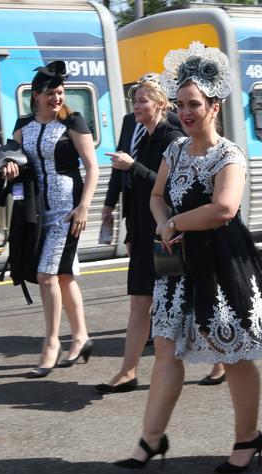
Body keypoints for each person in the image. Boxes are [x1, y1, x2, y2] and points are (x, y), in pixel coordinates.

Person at [114, 41, 262, 473]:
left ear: (214, 107)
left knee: (232, 353)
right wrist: (162, 220)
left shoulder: (229, 154)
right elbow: (155, 195)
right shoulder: (174, 150)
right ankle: (150, 440)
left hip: (221, 261)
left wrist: (175, 224)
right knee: (167, 348)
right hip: (175, 263)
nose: (185, 112)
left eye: (194, 105)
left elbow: (224, 209)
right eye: (182, 105)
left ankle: (248, 438)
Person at [3, 60, 99, 378]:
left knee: (47, 276)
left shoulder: (72, 121)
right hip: (37, 214)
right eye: (50, 93)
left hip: (67, 212)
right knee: (64, 278)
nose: (56, 98)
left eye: (59, 92)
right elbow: (13, 163)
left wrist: (84, 207)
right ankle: (82, 336)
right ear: (36, 96)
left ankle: (51, 343)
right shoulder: (22, 126)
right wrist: (10, 170)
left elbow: (92, 167)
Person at [96, 74, 183, 394]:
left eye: (142, 101)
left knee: (179, 303)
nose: (136, 106)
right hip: (144, 232)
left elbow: (169, 189)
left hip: (165, 234)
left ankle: (219, 361)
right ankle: (127, 371)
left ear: (160, 104)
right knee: (139, 302)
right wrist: (129, 232)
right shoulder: (144, 135)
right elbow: (135, 193)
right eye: (135, 101)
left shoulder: (171, 137)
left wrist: (132, 166)